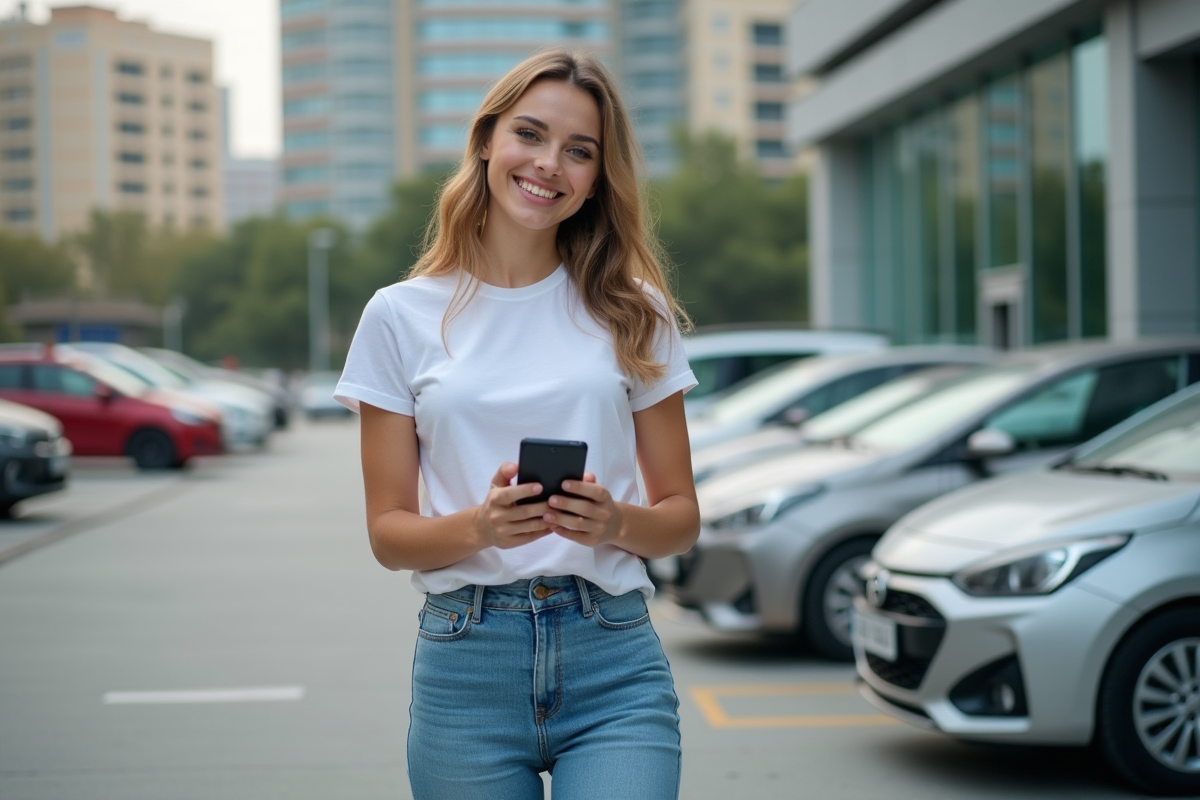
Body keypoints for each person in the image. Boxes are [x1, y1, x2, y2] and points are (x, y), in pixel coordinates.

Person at [335, 48, 699, 800]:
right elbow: (387, 534)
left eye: (579, 151)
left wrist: (611, 522)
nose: (548, 164)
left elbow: (680, 520)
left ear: (598, 177)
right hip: (465, 665)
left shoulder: (634, 310)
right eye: (529, 135)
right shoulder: (398, 317)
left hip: (612, 660)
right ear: (486, 141)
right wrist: (483, 527)